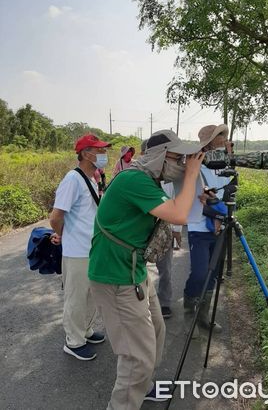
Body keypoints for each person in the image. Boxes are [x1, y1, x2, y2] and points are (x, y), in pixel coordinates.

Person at [88, 129, 203, 410]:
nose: (184, 163)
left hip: (134, 272)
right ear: (161, 157)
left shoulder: (148, 180)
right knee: (136, 355)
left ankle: (143, 385)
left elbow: (177, 208)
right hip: (116, 277)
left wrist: (195, 183)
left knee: (156, 331)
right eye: (179, 158)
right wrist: (191, 176)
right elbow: (178, 214)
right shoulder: (133, 179)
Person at [49, 134, 111, 361]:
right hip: (77, 251)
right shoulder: (72, 179)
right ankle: (73, 341)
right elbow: (56, 217)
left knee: (91, 295)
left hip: (92, 248)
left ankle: (85, 330)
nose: (104, 154)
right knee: (75, 298)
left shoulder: (92, 179)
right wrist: (63, 236)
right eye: (100, 150)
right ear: (86, 153)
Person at [183, 124, 230, 338]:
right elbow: (192, 199)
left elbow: (229, 193)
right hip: (198, 228)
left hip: (218, 229)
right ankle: (189, 309)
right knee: (200, 272)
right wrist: (211, 202)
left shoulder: (224, 166)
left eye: (224, 136)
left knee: (213, 275)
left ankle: (203, 316)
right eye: (221, 137)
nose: (225, 140)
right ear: (209, 142)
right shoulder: (196, 166)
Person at [140, 139, 181, 319]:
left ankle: (164, 303)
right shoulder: (137, 178)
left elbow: (176, 203)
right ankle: (143, 302)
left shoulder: (169, 177)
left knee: (165, 269)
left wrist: (177, 230)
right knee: (140, 270)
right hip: (143, 232)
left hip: (164, 230)